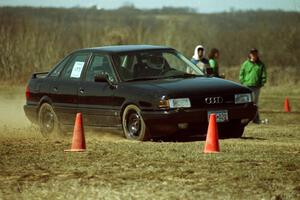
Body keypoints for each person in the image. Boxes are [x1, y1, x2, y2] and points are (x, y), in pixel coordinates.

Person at [239, 48, 267, 124]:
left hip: (256, 86)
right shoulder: (245, 64)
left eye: (255, 53)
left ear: (257, 54)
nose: (253, 55)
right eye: (252, 53)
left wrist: (262, 82)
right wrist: (242, 82)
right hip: (246, 86)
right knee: (245, 103)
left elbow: (264, 74)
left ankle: (255, 119)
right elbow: (241, 73)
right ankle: (244, 118)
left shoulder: (261, 64)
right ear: (250, 54)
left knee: (254, 103)